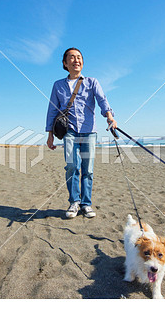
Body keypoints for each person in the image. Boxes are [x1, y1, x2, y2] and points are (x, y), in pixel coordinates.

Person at [46, 47, 117, 219]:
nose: (76, 60)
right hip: (69, 132)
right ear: (65, 63)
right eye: (72, 57)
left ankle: (86, 204)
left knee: (88, 169)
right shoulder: (58, 85)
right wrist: (49, 134)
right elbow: (52, 110)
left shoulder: (92, 82)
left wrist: (109, 116)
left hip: (89, 132)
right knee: (72, 166)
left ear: (82, 62)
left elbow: (102, 100)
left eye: (79, 57)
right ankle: (74, 202)